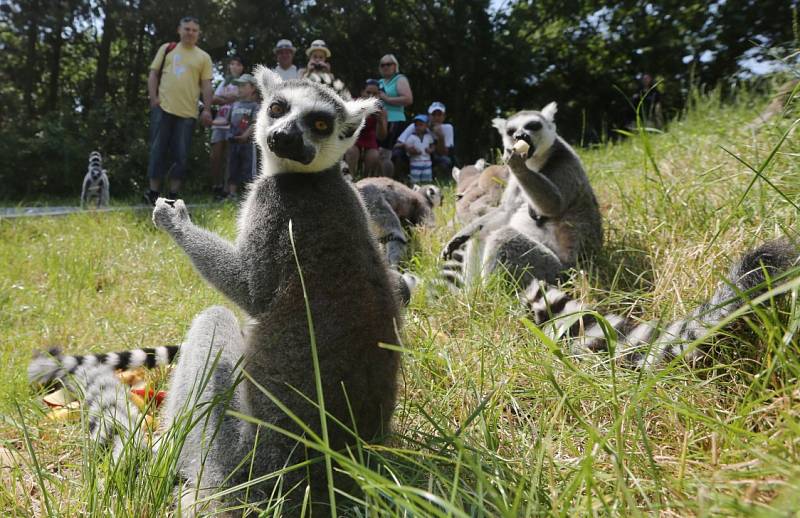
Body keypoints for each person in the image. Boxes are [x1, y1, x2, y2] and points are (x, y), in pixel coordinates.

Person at [144, 16, 213, 205]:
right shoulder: (167, 49)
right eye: (187, 29)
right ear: (179, 30)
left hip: (188, 114)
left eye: (194, 30)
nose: (190, 33)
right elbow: (153, 74)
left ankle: (173, 195)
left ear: (198, 34)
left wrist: (206, 109)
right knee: (157, 151)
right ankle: (152, 192)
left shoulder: (203, 57)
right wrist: (153, 98)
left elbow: (206, 85)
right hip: (163, 109)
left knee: (180, 156)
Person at [210, 55, 244, 199]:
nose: (234, 67)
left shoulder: (244, 82)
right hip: (219, 122)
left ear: (242, 68)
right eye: (232, 64)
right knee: (215, 156)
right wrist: (228, 99)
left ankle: (227, 189)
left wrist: (229, 99)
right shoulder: (224, 82)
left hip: (234, 124)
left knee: (231, 158)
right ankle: (216, 185)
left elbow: (246, 98)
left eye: (238, 64)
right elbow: (213, 99)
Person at [395, 101, 455, 179]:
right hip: (413, 156)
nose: (436, 118)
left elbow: (444, 153)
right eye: (434, 114)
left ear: (444, 116)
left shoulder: (447, 128)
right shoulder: (416, 126)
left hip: (431, 156)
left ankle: (437, 178)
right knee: (397, 153)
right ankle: (400, 178)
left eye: (439, 115)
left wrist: (441, 137)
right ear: (429, 116)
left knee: (446, 161)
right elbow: (398, 143)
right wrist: (408, 147)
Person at [224, 74, 260, 200]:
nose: (239, 88)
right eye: (238, 85)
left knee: (248, 168)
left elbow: (255, 123)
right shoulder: (234, 105)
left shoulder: (255, 106)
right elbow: (227, 122)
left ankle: (249, 197)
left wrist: (245, 135)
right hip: (234, 142)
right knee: (232, 167)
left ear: (253, 88)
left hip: (248, 143)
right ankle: (232, 194)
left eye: (243, 85)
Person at [377, 54, 413, 177]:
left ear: (395, 66)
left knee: (386, 154)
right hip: (380, 120)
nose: (385, 67)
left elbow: (408, 99)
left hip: (395, 120)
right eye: (382, 65)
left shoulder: (400, 79)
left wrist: (387, 99)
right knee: (378, 154)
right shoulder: (379, 82)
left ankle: (389, 181)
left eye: (388, 64)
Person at [344, 79, 388, 178]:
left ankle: (365, 181)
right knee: (352, 151)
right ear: (362, 92)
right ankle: (350, 180)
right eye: (368, 92)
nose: (371, 96)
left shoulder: (382, 111)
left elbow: (382, 137)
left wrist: (380, 121)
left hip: (369, 139)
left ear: (378, 95)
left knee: (374, 156)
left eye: (375, 94)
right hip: (353, 137)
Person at [405, 114, 435, 184]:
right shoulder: (411, 137)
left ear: (426, 126)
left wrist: (430, 150)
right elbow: (407, 147)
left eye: (421, 125)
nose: (418, 127)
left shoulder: (428, 136)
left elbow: (433, 146)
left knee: (427, 181)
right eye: (416, 125)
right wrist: (413, 151)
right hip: (415, 162)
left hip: (427, 162)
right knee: (415, 181)